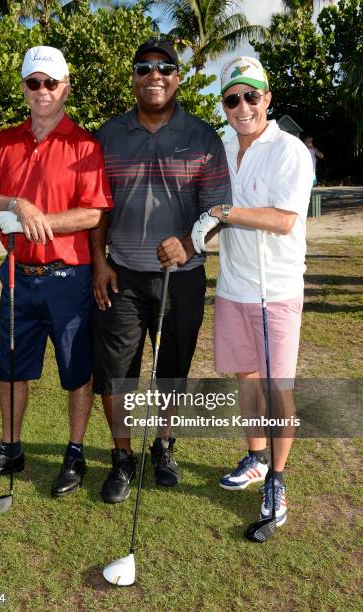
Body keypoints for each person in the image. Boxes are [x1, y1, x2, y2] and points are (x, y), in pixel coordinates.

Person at [0, 46, 113, 497]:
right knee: (12, 369)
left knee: (76, 372)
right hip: (17, 275)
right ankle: (11, 448)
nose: (42, 91)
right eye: (34, 83)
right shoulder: (4, 140)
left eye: (51, 83)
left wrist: (37, 220)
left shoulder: (84, 144)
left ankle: (74, 451)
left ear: (65, 86)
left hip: (68, 279)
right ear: (25, 88)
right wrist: (16, 204)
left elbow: (92, 214)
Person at [90, 38, 232, 504]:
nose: (155, 75)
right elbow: (97, 209)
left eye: (165, 68)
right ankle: (122, 457)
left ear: (178, 77)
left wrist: (190, 241)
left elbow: (217, 210)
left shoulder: (203, 137)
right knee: (118, 375)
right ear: (133, 77)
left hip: (182, 277)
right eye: (144, 67)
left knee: (172, 371)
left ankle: (165, 445)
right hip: (123, 275)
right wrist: (99, 262)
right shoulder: (108, 136)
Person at [192, 56, 313, 527]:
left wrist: (225, 212)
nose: (242, 106)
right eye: (232, 99)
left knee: (277, 388)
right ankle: (257, 456)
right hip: (234, 287)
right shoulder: (221, 147)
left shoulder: (289, 151)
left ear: (267, 98)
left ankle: (276, 481)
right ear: (224, 105)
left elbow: (284, 220)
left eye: (251, 96)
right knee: (246, 378)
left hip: (277, 290)